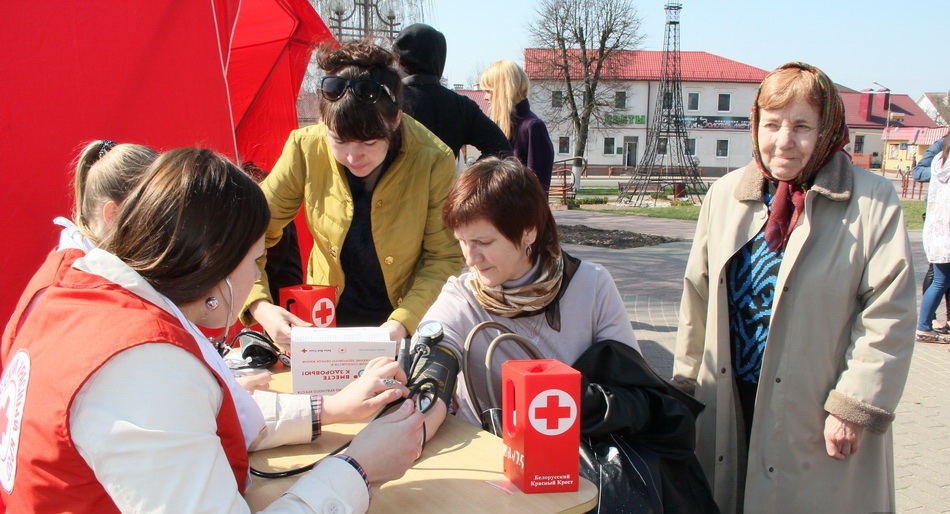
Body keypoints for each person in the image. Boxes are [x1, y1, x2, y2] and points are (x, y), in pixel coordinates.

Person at [0, 147, 426, 513]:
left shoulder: (71, 288)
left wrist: (326, 409)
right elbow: (167, 411)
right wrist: (358, 469)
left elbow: (201, 422)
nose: (255, 275)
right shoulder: (144, 364)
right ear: (216, 265)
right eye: (256, 259)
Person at [673, 62, 916, 513]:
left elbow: (889, 312)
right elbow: (698, 298)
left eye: (802, 126)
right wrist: (686, 389)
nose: (783, 141)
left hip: (815, 408)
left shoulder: (872, 201)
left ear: (827, 130)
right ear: (755, 125)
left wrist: (853, 404)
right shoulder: (725, 195)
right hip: (730, 400)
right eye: (772, 124)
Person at [416, 156, 717, 513]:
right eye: (463, 242)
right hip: (488, 477)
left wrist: (568, 402)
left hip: (577, 480)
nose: (471, 258)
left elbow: (635, 394)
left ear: (527, 230)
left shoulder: (591, 285)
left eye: (483, 241)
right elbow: (429, 372)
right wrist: (422, 394)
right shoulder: (462, 297)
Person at [243, 40, 463, 345]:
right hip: (323, 321)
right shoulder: (304, 148)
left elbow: (444, 257)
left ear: (395, 119)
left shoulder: (433, 159)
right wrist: (260, 305)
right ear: (323, 122)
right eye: (339, 141)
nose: (352, 157)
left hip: (403, 320)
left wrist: (402, 323)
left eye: (369, 143)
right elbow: (250, 231)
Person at [1, 140, 158, 369]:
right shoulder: (73, 289)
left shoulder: (81, 272)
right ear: (113, 215)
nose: (168, 230)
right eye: (157, 214)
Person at [392, 23, 512, 160]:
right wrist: (467, 179)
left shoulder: (388, 102)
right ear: (439, 58)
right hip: (446, 180)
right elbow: (502, 149)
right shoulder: (461, 107)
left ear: (400, 59)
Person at [479, 60, 555, 192]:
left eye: (488, 91)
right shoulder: (499, 127)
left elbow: (538, 190)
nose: (485, 97)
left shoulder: (532, 127)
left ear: (503, 91)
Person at [912, 136, 950, 333]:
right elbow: (917, 172)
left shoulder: (939, 162)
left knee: (942, 277)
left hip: (938, 226)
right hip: (942, 226)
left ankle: (927, 324)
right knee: (939, 276)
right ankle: (926, 324)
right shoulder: (939, 149)